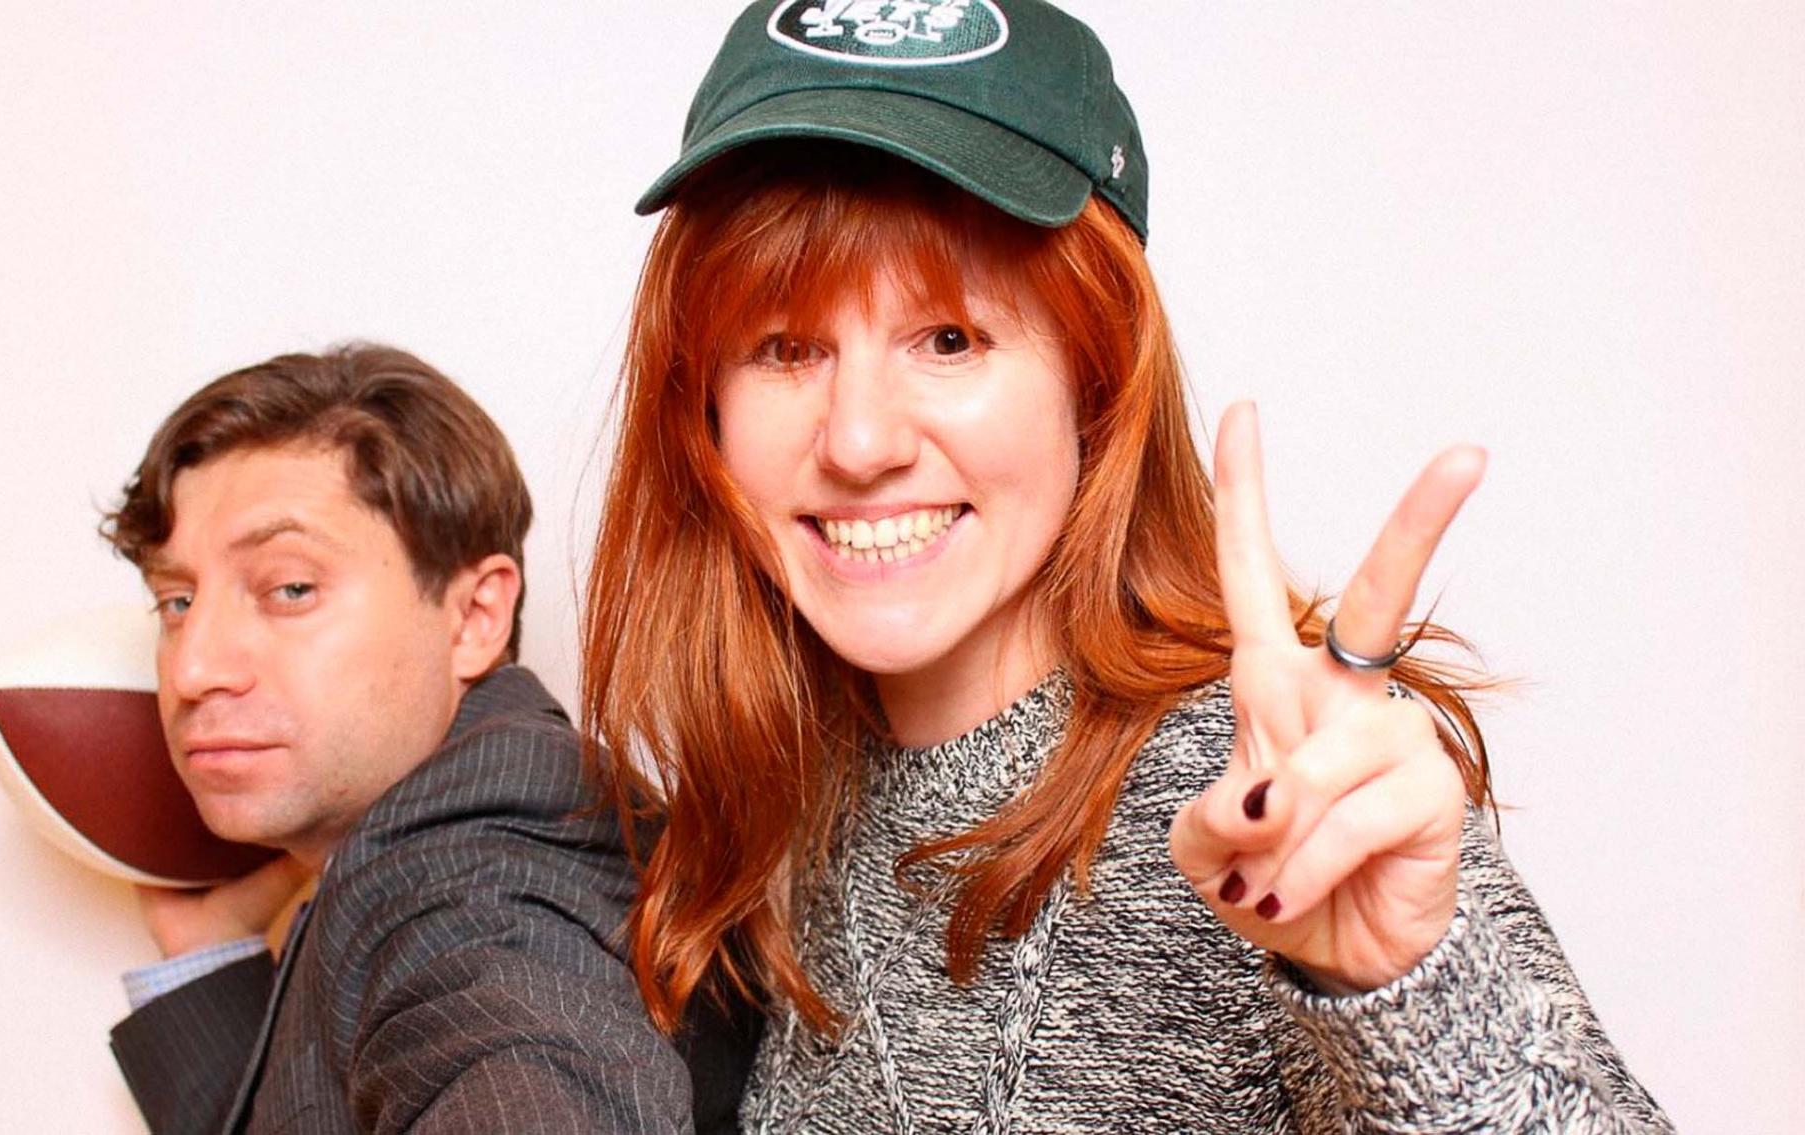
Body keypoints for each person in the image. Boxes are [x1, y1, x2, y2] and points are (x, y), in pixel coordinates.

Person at [581, 2, 1673, 1131]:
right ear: (705, 407)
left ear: (1095, 376)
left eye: (949, 339)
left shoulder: (1272, 789)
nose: (859, 441)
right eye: (784, 347)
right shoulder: (773, 800)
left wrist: (1407, 991)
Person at [99, 344, 738, 1134]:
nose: (193, 668)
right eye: (177, 601)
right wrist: (208, 951)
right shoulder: (440, 834)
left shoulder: (466, 887)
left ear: (474, 617)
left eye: (290, 587)